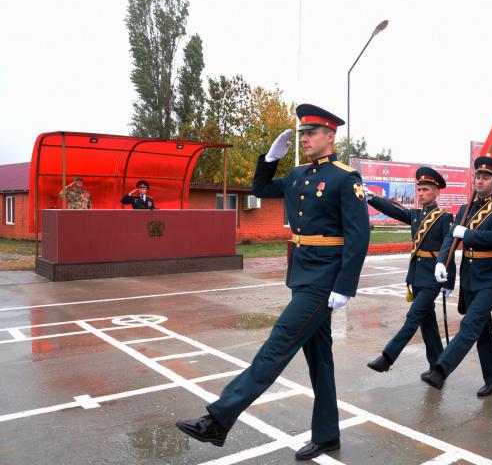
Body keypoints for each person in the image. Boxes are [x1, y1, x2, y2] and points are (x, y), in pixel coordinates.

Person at [175, 104, 370, 461]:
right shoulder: (297, 175)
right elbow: (261, 189)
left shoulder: (345, 178)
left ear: (331, 136)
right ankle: (327, 435)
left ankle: (219, 418)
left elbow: (359, 236)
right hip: (301, 273)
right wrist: (269, 157)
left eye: (312, 133)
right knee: (319, 360)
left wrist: (345, 284)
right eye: (302, 134)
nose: (305, 139)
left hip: (324, 280)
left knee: (277, 344)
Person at [423, 156, 492, 397]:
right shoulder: (466, 209)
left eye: (486, 177)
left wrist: (469, 234)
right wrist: (442, 262)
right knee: (482, 330)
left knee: (470, 323)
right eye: (478, 176)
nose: (480, 180)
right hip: (471, 277)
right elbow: (450, 238)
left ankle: (441, 370)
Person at [364, 167, 456, 376]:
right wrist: (372, 198)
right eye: (419, 189)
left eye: (425, 189)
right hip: (416, 276)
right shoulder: (415, 215)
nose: (421, 193)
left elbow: (448, 249)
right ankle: (437, 367)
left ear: (436, 192)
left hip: (433, 276)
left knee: (413, 316)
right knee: (427, 322)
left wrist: (449, 282)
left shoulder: (444, 218)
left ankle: (387, 357)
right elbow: (394, 210)